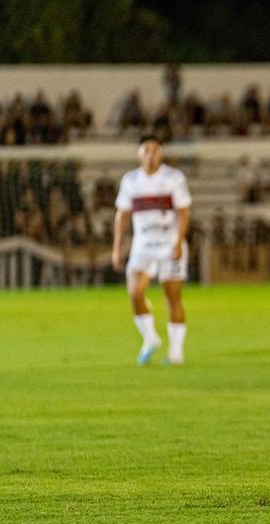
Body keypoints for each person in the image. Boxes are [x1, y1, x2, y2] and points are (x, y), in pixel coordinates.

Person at [111, 133, 192, 366]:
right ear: (139, 154)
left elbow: (184, 212)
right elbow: (122, 214)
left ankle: (176, 352)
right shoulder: (130, 181)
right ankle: (151, 338)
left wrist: (178, 242)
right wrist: (117, 247)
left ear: (161, 153)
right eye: (146, 150)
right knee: (135, 293)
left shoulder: (173, 178)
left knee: (173, 297)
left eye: (155, 150)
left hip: (169, 244)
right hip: (143, 245)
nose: (150, 154)